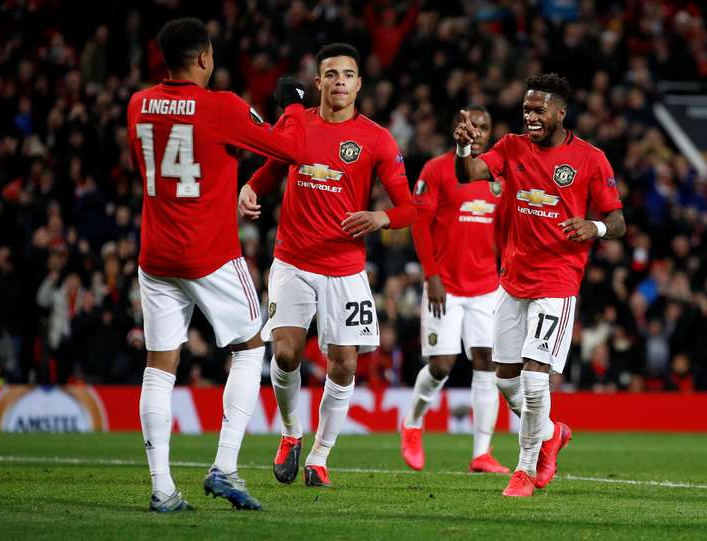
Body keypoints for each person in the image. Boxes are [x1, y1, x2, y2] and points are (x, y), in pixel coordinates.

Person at [126, 17, 307, 512]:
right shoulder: (222, 107)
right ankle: (224, 466)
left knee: (159, 366)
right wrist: (290, 107)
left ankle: (162, 489)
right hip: (208, 254)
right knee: (251, 347)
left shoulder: (138, 104)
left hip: (155, 255)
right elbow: (291, 149)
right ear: (205, 59)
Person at [240, 43, 415, 488]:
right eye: (331, 74)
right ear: (318, 83)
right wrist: (250, 188)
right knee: (284, 352)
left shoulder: (376, 138)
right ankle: (290, 433)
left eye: (348, 75)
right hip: (293, 260)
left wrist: (380, 217)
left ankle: (319, 457)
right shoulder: (297, 122)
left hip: (345, 267)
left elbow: (409, 207)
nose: (339, 81)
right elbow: (273, 170)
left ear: (359, 83)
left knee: (344, 364)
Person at [453, 73, 626, 497]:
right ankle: (551, 432)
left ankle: (525, 470)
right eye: (526, 109)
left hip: (558, 281)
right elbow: (470, 172)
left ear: (560, 113)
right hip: (513, 280)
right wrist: (462, 146)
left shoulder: (590, 158)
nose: (530, 116)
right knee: (506, 380)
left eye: (538, 109)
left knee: (534, 380)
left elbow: (618, 222)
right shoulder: (511, 147)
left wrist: (595, 226)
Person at [400, 106, 508, 474]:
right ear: (457, 129)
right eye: (470, 125)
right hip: (444, 285)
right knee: (442, 365)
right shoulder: (436, 169)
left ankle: (481, 453)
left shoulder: (498, 177)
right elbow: (420, 224)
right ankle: (412, 424)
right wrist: (431, 276)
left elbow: (504, 231)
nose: (476, 131)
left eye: (483, 126)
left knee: (487, 363)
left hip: (486, 287)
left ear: (490, 133)